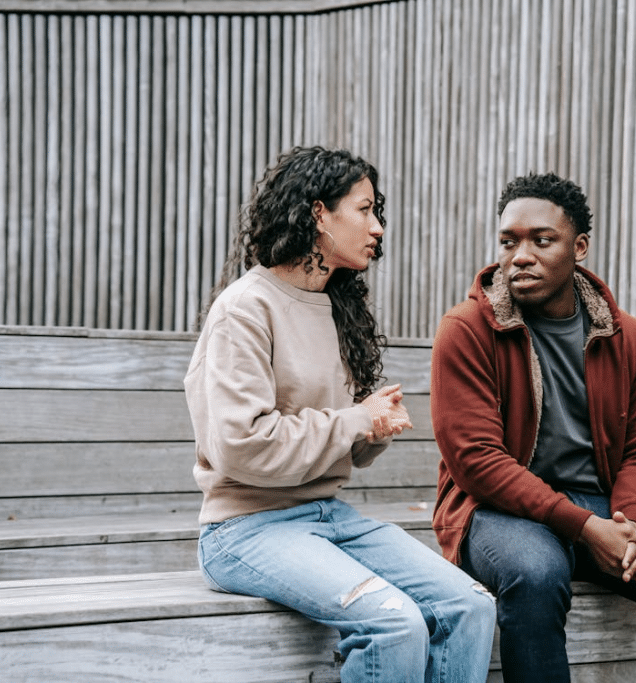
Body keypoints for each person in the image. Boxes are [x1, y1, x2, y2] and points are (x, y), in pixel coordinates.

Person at [430, 172, 636, 683]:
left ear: (579, 247)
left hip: (604, 506)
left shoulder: (627, 336)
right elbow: (478, 461)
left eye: (542, 241)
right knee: (536, 574)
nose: (520, 255)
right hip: (499, 512)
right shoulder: (467, 330)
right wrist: (588, 530)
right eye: (509, 241)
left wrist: (629, 526)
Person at [184, 145, 496, 683]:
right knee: (394, 623)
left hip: (325, 516)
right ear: (318, 214)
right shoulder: (245, 308)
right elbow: (242, 444)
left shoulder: (335, 305)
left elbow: (334, 440)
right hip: (244, 529)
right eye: (364, 209)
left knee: (469, 606)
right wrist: (354, 420)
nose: (377, 227)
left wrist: (372, 428)